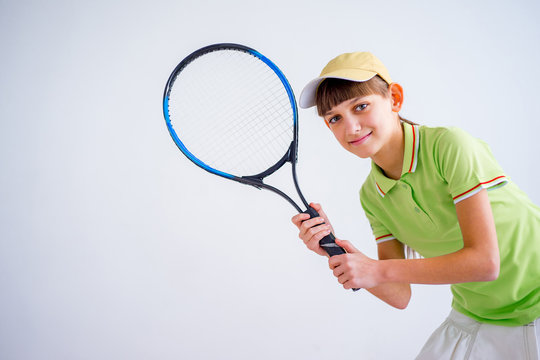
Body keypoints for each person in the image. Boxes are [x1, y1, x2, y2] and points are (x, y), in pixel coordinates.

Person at [291, 51, 540, 359]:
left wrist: (378, 270)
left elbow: (485, 263)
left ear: (394, 98)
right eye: (335, 118)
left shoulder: (450, 146)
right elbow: (399, 294)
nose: (350, 127)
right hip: (479, 314)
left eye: (361, 106)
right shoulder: (372, 195)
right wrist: (337, 251)